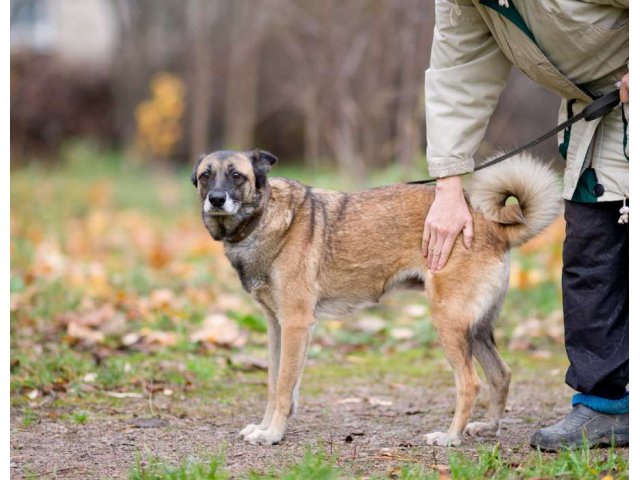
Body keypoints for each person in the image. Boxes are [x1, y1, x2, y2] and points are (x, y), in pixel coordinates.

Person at [422, 0, 628, 450]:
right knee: (591, 259)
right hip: (603, 113)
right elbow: (459, 74)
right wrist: (448, 185)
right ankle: (605, 406)